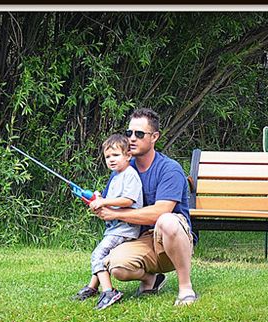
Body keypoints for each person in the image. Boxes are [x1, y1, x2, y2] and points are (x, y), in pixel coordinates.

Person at [93, 108, 198, 306]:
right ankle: (151, 279)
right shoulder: (123, 169)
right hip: (140, 238)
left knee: (166, 220)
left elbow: (160, 212)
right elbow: (109, 203)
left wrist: (116, 213)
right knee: (117, 267)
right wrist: (98, 202)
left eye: (139, 134)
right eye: (129, 133)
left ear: (154, 137)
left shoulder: (170, 169)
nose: (132, 138)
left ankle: (186, 287)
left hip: (171, 238)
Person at [73, 134, 143, 310]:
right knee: (101, 256)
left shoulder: (130, 175)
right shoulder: (116, 175)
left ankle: (109, 292)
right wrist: (97, 198)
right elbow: (112, 200)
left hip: (125, 229)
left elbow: (128, 200)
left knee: (98, 255)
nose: (111, 160)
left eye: (116, 155)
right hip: (115, 228)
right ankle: (92, 287)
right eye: (108, 157)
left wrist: (104, 202)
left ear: (128, 156)